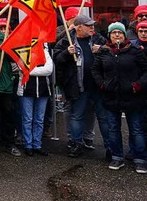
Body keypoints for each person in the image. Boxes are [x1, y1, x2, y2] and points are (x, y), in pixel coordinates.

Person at [92, 22, 147, 173]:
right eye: (113, 32)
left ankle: (140, 159)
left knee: (136, 129)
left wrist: (137, 85)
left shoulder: (135, 50)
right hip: (111, 97)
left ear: (124, 34)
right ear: (109, 35)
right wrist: (102, 85)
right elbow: (95, 70)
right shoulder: (104, 52)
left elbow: (145, 71)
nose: (117, 35)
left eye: (120, 32)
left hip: (133, 96)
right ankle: (117, 157)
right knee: (113, 129)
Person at [54, 14, 109, 158]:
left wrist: (102, 49)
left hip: (98, 86)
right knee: (77, 115)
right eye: (89, 26)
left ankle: (111, 147)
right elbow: (57, 59)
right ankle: (76, 144)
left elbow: (111, 53)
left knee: (103, 117)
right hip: (78, 86)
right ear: (79, 28)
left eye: (92, 25)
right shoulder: (66, 40)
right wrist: (67, 53)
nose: (92, 28)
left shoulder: (98, 39)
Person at [0, 13, 21, 157]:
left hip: (5, 82)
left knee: (8, 113)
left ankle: (9, 143)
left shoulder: (7, 40)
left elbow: (9, 58)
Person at [17, 44, 53, 157]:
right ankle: (28, 144)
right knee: (27, 119)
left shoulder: (45, 52)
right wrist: (33, 70)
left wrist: (30, 70)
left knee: (39, 119)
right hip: (26, 90)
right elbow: (22, 68)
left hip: (43, 91)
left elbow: (48, 70)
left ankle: (37, 144)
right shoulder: (23, 52)